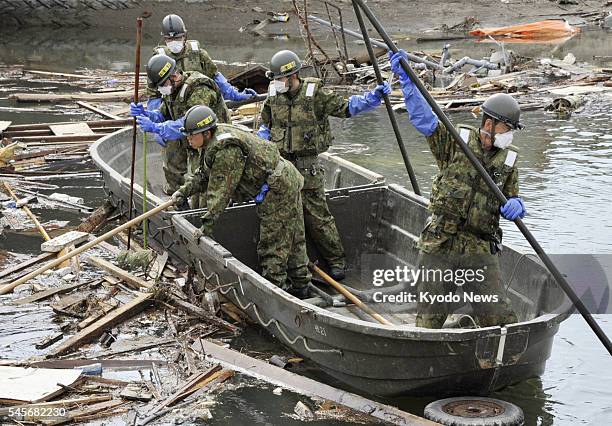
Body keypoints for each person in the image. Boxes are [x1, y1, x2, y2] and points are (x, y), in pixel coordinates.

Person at [390, 49, 523, 328]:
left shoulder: (508, 160)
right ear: (489, 124)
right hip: (442, 242)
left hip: (479, 246)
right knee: (430, 316)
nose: (508, 135)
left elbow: (512, 196)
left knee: (498, 315)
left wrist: (517, 206)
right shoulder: (457, 142)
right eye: (506, 128)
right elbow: (424, 121)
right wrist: (408, 83)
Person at [257, 50, 391, 281]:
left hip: (307, 165)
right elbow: (265, 126)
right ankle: (294, 268)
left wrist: (372, 98)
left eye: (280, 79)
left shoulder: (314, 94)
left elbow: (345, 108)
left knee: (318, 217)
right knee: (283, 218)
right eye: (275, 79)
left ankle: (337, 261)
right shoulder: (273, 96)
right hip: (282, 167)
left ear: (293, 76)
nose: (277, 83)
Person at [172, 105, 312, 298]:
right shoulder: (213, 142)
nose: (188, 139)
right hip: (281, 181)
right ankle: (301, 285)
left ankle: (276, 293)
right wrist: (182, 191)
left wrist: (207, 224)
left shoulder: (226, 150)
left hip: (278, 189)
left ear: (206, 133)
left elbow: (220, 191)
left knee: (274, 244)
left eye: (191, 135)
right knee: (292, 236)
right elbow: (203, 175)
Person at [131, 54, 230, 202]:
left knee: (205, 186)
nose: (161, 90)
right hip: (195, 139)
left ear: (174, 76)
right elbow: (164, 114)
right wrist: (147, 115)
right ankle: (183, 205)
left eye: (162, 85)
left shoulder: (199, 88)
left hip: (212, 140)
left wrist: (157, 128)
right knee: (192, 183)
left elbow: (191, 122)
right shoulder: (172, 90)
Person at [151, 14, 257, 103]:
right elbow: (153, 93)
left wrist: (235, 95)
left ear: (185, 36)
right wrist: (156, 115)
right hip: (174, 109)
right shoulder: (159, 59)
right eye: (169, 39)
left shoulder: (198, 54)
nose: (174, 42)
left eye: (177, 38)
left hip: (200, 104)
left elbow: (216, 78)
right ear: (164, 39)